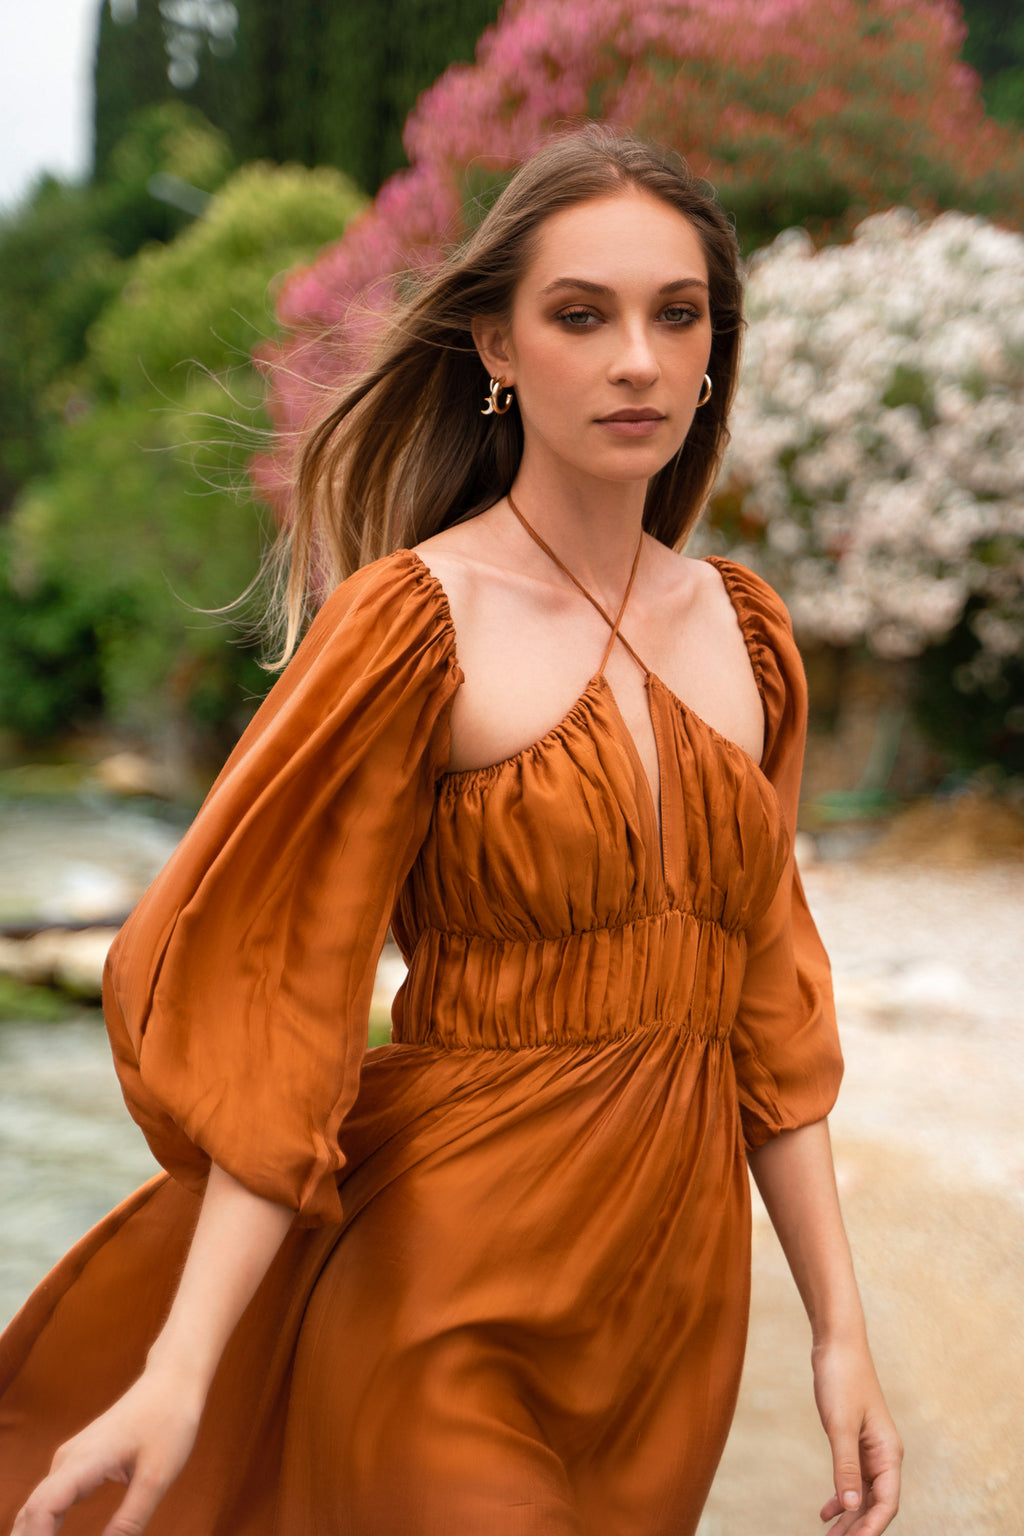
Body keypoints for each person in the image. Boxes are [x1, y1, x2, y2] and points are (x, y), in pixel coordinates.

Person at [0, 125, 902, 1536]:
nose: (637, 361)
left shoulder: (749, 635)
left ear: (716, 347)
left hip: (673, 1319)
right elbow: (286, 1012)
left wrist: (840, 1332)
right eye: (581, 315)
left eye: (679, 316)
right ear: (493, 343)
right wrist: (182, 1369)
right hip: (444, 1280)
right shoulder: (414, 626)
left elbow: (771, 1019)